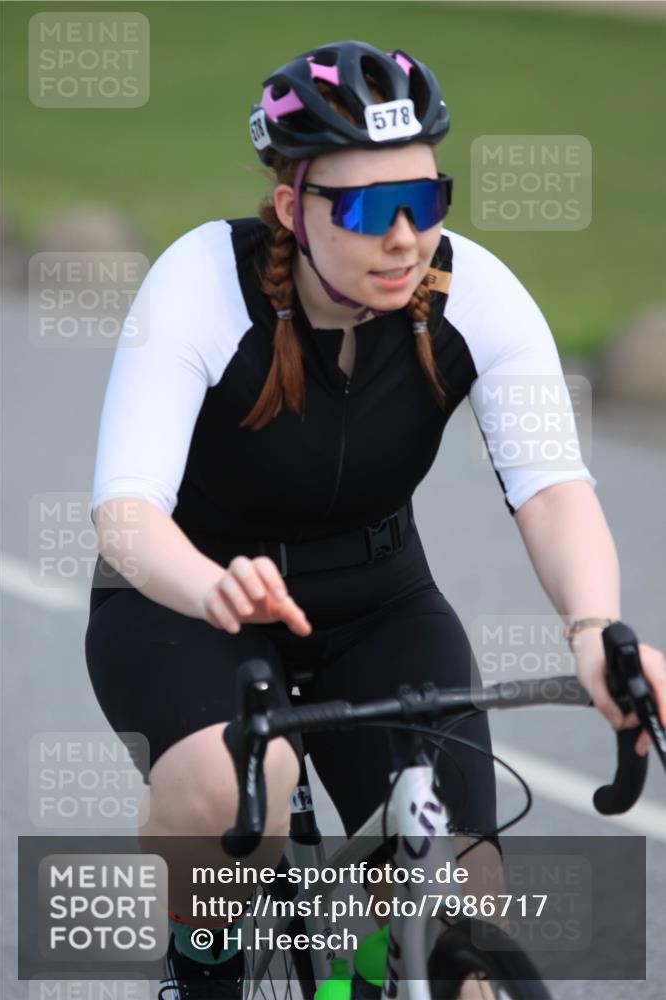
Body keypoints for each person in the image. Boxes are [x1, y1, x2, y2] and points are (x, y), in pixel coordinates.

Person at [85, 40, 666, 1000]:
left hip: (377, 601)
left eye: (427, 202)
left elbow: (555, 488)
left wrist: (596, 627)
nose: (405, 236)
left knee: (465, 926)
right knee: (240, 785)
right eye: (365, 208)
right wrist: (211, 582)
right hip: (186, 600)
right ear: (291, 209)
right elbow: (125, 514)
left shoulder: (474, 293)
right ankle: (204, 968)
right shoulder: (197, 281)